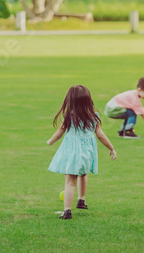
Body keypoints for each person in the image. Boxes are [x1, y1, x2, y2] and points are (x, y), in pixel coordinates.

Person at [47, 85, 116, 220]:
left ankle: (67, 211)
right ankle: (82, 200)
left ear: (70, 101)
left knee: (70, 182)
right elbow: (101, 136)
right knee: (83, 173)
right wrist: (111, 148)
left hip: (72, 153)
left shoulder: (69, 117)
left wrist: (50, 141)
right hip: (87, 153)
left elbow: (59, 132)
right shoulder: (94, 117)